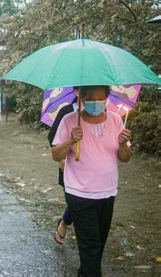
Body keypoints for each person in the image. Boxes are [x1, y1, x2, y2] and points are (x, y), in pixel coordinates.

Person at [51, 85, 132, 276]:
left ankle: (85, 272)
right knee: (91, 246)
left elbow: (125, 157)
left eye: (101, 98)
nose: (96, 102)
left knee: (97, 245)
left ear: (107, 98)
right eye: (91, 98)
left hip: (107, 192)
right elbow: (55, 155)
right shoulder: (69, 120)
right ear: (82, 98)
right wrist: (71, 140)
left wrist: (123, 144)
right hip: (79, 193)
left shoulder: (115, 120)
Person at [47, 87, 78, 245]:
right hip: (67, 165)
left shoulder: (101, 115)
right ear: (77, 91)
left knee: (82, 202)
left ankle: (65, 223)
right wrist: (62, 157)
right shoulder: (66, 112)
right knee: (74, 201)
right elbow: (52, 136)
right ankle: (65, 223)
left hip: (89, 171)